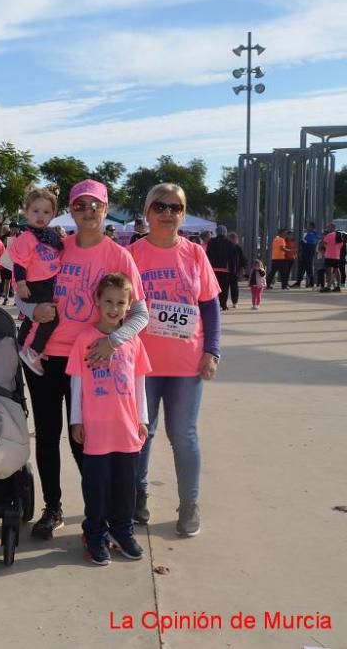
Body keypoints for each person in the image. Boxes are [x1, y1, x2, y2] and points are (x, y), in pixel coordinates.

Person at [14, 179, 148, 541]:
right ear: (69, 211)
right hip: (43, 356)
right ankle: (52, 507)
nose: (88, 211)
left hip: (89, 360)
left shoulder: (119, 255)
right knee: (46, 435)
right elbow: (23, 294)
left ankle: (97, 514)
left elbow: (140, 313)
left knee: (84, 439)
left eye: (95, 205)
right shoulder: (55, 243)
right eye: (80, 205)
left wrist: (113, 341)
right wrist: (32, 308)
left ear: (106, 210)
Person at [129, 182, 221, 537]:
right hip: (142, 362)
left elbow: (210, 306)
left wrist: (212, 350)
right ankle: (137, 496)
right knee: (142, 434)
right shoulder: (133, 254)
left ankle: (189, 504)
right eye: (160, 206)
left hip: (187, 364)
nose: (168, 213)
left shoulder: (195, 254)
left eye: (175, 207)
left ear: (183, 214)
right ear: (147, 212)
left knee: (183, 435)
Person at [68, 273, 151, 565]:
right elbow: (77, 382)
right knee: (97, 486)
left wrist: (142, 419)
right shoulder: (85, 340)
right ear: (97, 302)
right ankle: (94, 532)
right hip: (96, 428)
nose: (114, 308)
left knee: (125, 485)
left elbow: (139, 381)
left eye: (120, 303)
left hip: (126, 428)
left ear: (129, 306)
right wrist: (76, 421)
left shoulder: (133, 342)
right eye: (108, 301)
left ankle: (122, 530)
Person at [11, 187, 63, 376]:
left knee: (33, 319)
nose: (40, 216)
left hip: (48, 282)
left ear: (53, 214)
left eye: (46, 212)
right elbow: (19, 262)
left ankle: (21, 343)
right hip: (35, 283)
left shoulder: (51, 236)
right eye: (35, 211)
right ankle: (34, 350)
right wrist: (22, 283)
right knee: (51, 317)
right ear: (26, 212)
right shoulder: (27, 236)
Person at [206, 225, 238, 310]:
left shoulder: (211, 242)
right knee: (224, 288)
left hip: (213, 269)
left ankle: (214, 304)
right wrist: (233, 270)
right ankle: (223, 304)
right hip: (225, 269)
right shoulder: (229, 243)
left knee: (214, 287)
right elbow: (232, 258)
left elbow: (207, 255)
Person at [292, 221, 319, 287]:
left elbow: (303, 244)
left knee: (307, 268)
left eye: (308, 225)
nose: (307, 227)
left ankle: (310, 283)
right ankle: (299, 282)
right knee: (304, 269)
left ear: (311, 227)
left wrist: (300, 252)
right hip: (309, 254)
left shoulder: (309, 235)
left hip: (306, 254)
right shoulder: (315, 235)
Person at [319, 223, 343, 292]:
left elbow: (324, 244)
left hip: (329, 255)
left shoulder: (329, 235)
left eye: (328, 227)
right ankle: (338, 286)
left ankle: (329, 286)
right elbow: (341, 245)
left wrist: (327, 249)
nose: (327, 229)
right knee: (337, 270)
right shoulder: (339, 235)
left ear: (332, 228)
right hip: (337, 256)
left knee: (329, 271)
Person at [226, 231, 247, 308]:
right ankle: (233, 302)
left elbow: (242, 259)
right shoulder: (229, 247)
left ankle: (234, 302)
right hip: (231, 270)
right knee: (231, 287)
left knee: (232, 287)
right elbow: (243, 259)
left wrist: (242, 269)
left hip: (233, 270)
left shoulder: (237, 247)